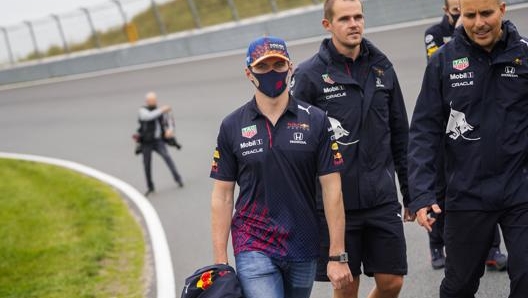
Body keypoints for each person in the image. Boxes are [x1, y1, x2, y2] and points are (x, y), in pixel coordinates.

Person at [209, 36, 353, 298]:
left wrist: (337, 254)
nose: (272, 72)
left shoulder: (317, 121)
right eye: (263, 67)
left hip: (303, 242)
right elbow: (222, 195)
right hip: (252, 241)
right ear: (249, 72)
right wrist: (221, 261)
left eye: (278, 64)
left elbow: (333, 190)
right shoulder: (231, 126)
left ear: (290, 67)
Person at [290, 0, 412, 297]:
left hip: (381, 197)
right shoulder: (308, 76)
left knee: (392, 281)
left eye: (358, 17)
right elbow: (295, 146)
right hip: (335, 204)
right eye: (344, 18)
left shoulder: (382, 67)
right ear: (327, 24)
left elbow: (400, 134)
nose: (354, 23)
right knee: (347, 286)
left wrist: (411, 192)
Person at [408, 0, 528, 296]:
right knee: (459, 285)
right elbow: (424, 131)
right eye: (470, 15)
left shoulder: (524, 54)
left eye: (486, 13)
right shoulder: (443, 62)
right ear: (458, 12)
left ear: (502, 9)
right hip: (466, 192)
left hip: (520, 190)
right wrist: (422, 193)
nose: (478, 23)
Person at [422, 0, 508, 271]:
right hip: (449, 132)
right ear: (449, 8)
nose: (476, 20)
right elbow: (435, 62)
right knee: (440, 193)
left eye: (484, 13)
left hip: (498, 161)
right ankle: (436, 245)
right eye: (465, 12)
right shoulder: (435, 34)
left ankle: (492, 248)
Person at [137, 91, 183, 196]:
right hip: (146, 142)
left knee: (167, 157)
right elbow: (148, 117)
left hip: (158, 141)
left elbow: (169, 121)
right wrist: (162, 109)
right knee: (147, 164)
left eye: (154, 100)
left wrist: (170, 130)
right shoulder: (143, 110)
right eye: (151, 100)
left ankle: (178, 178)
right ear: (147, 101)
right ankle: (150, 186)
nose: (153, 102)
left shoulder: (160, 111)